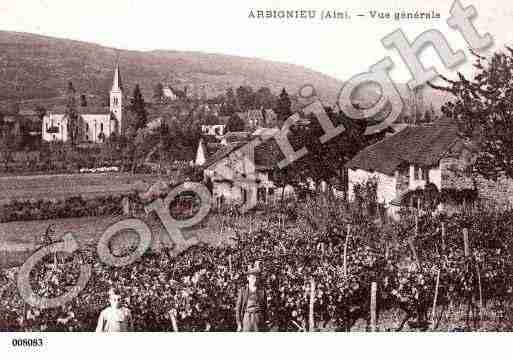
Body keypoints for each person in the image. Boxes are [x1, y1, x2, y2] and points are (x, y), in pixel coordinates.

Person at [235, 265, 268, 332]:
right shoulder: (243, 290)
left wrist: (264, 321)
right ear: (248, 278)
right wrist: (239, 323)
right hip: (247, 317)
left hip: (258, 318)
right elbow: (238, 308)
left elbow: (265, 307)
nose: (254, 280)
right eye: (252, 278)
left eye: (256, 278)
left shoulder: (262, 291)